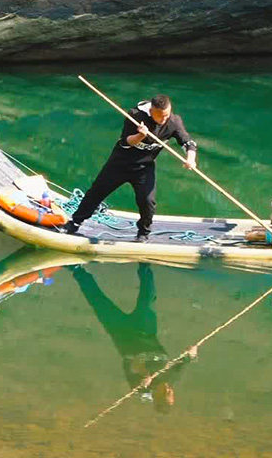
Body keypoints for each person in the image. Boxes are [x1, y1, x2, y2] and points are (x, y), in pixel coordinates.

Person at [64, 94, 197, 242]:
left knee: (147, 200)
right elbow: (126, 143)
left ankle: (143, 233)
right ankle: (75, 222)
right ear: (152, 111)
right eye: (161, 117)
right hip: (120, 163)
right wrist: (140, 135)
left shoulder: (174, 121)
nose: (164, 120)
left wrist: (190, 158)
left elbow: (188, 142)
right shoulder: (135, 115)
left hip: (144, 167)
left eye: (167, 115)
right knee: (97, 192)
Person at [70, 263, 195, 409]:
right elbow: (184, 362)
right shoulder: (171, 378)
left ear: (156, 395)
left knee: (98, 302)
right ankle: (144, 265)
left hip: (122, 334)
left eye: (165, 392)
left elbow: (133, 365)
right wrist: (191, 353)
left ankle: (77, 270)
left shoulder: (140, 387)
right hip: (145, 329)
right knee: (147, 299)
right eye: (171, 392)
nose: (168, 388)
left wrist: (144, 376)